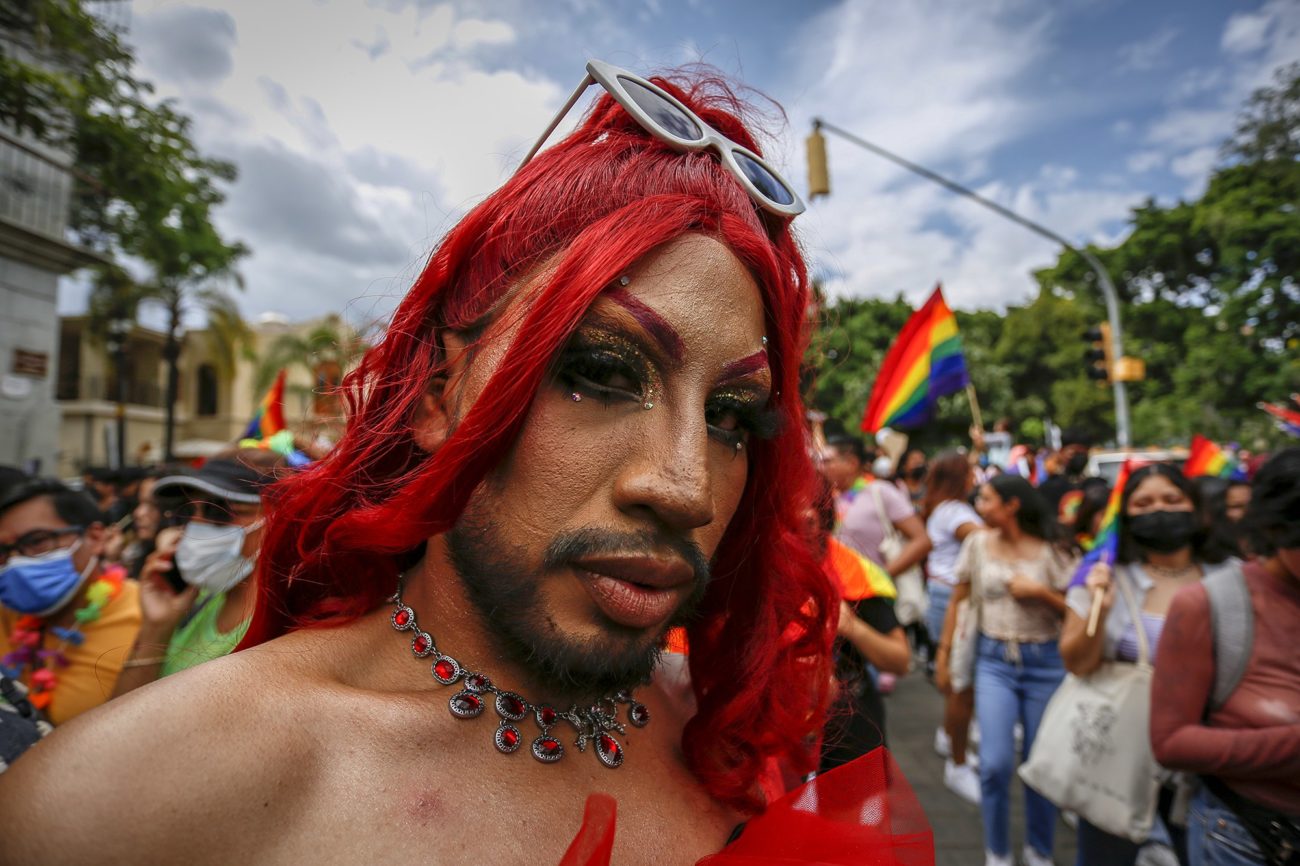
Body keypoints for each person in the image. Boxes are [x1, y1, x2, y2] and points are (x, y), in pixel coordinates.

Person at [0, 61, 931, 864]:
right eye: (600, 372)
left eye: (732, 416)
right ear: (442, 395)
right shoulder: (128, 802)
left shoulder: (744, 740)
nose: (684, 487)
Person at [1060, 463, 1234, 865]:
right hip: (1118, 751)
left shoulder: (1232, 576)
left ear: (1195, 507)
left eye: (1172, 500)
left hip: (1206, 755)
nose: (1160, 510)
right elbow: (1075, 662)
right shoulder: (1103, 575)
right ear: (1126, 515)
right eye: (1144, 503)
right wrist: (1098, 612)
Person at [1151, 448, 1300, 866]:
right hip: (1249, 839)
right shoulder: (1207, 605)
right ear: (1277, 530)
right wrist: (1289, 744)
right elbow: (1171, 742)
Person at [938, 475, 1074, 866]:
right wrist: (945, 653)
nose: (979, 505)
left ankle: (1039, 849)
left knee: (1038, 765)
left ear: (1012, 505)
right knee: (995, 764)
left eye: (987, 498)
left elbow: (1079, 613)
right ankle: (997, 851)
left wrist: (1042, 594)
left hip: (1047, 663)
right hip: (994, 660)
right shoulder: (977, 544)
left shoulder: (1054, 549)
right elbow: (957, 603)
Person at [110, 450, 283, 697]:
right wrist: (157, 626)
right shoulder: (201, 598)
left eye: (218, 512)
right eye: (190, 511)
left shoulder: (281, 630)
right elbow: (120, 717)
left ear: (278, 517)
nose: (197, 524)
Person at [0, 479, 141, 726]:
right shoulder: (8, 613)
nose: (15, 563)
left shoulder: (147, 616)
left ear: (95, 537)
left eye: (36, 542)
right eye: (3, 552)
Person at [813, 478, 910, 773]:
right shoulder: (745, 570)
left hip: (852, 732)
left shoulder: (855, 573)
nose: (802, 514)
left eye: (811, 503)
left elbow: (899, 660)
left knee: (860, 817)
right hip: (774, 744)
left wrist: (851, 626)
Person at [922, 450, 983, 806]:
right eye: (971, 473)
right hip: (953, 600)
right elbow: (980, 538)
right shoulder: (956, 513)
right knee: (960, 682)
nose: (975, 478)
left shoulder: (941, 507)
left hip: (942, 594)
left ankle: (950, 737)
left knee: (957, 682)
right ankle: (954, 754)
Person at [1037, 428, 1093, 526]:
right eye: (1073, 453)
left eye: (1082, 453)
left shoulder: (1095, 485)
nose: (1079, 458)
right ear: (1061, 453)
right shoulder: (1048, 488)